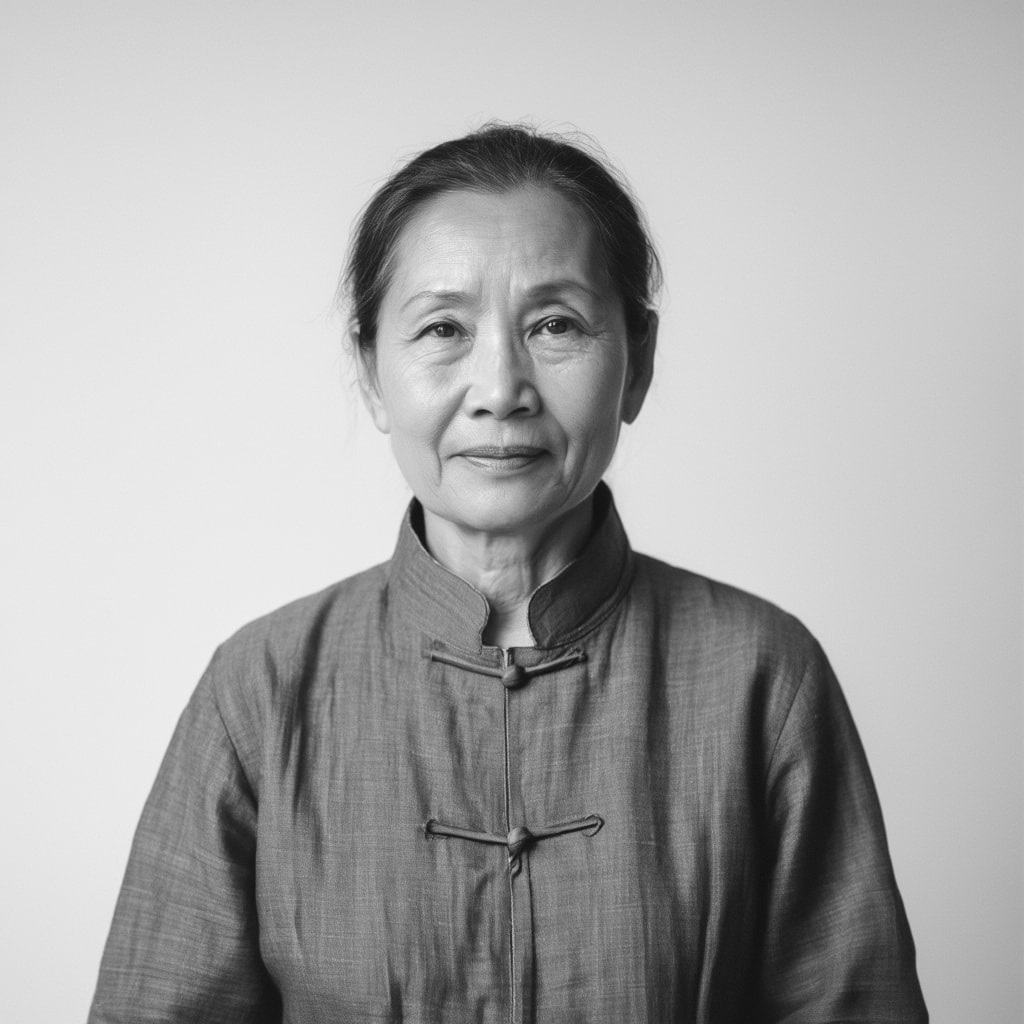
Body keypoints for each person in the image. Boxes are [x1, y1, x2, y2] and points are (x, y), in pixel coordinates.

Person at [89, 124, 928, 1023]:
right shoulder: (259, 690)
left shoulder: (763, 676)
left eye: (555, 324)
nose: (500, 387)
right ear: (371, 372)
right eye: (443, 328)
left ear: (636, 363)